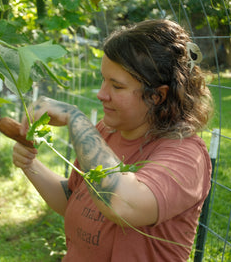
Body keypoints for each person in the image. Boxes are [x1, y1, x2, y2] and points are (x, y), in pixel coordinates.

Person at [12, 19, 214, 261]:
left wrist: (75, 118)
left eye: (116, 86)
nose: (101, 94)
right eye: (103, 79)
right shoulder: (107, 132)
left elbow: (122, 204)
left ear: (157, 96)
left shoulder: (187, 155)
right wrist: (31, 165)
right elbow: (74, 198)